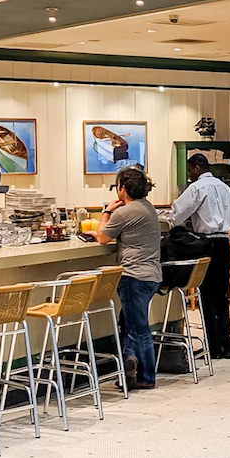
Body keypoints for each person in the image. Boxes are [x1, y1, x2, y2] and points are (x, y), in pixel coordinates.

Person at [97, 166, 161, 389]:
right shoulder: (148, 208)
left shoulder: (124, 212)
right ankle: (129, 367)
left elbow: (102, 238)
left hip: (134, 275)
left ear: (122, 188)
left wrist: (107, 212)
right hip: (151, 274)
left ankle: (147, 377)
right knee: (129, 322)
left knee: (138, 327)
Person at [169, 153, 230, 359]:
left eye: (189, 170)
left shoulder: (197, 188)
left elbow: (177, 214)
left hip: (206, 244)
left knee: (207, 296)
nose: (189, 175)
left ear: (197, 168)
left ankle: (213, 347)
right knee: (222, 296)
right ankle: (226, 345)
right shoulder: (225, 187)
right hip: (225, 243)